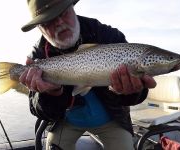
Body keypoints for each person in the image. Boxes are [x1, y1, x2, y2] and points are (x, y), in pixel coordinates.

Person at [20, 0, 156, 150]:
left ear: (72, 8)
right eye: (48, 21)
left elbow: (137, 94)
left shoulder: (107, 35)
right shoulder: (38, 55)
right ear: (39, 28)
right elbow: (38, 109)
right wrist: (52, 94)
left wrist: (131, 92)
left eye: (63, 12)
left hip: (112, 118)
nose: (59, 22)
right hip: (66, 121)